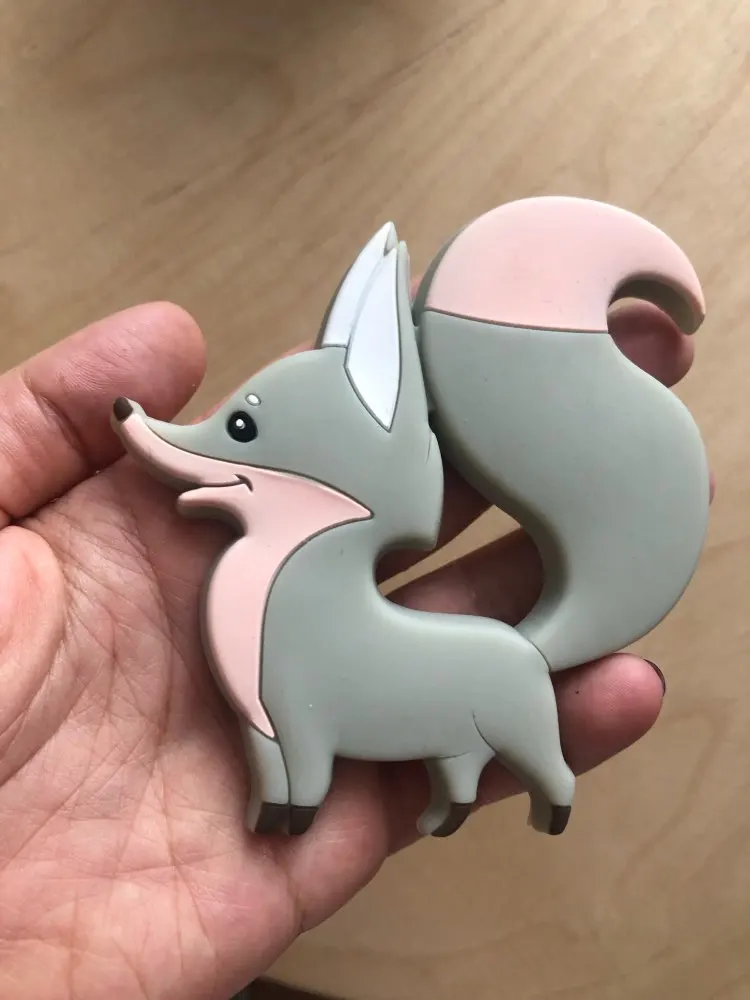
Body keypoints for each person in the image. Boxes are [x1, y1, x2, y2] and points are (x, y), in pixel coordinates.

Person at [0, 294, 705, 1000]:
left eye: (242, 430)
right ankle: (307, 798)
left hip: (483, 673)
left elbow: (305, 708)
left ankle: (546, 791)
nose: (208, 446)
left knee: (509, 749)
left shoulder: (483, 658)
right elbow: (275, 708)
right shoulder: (257, 593)